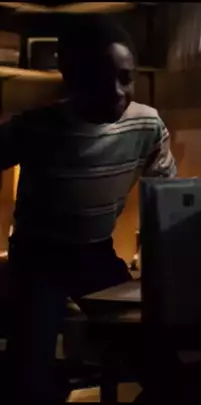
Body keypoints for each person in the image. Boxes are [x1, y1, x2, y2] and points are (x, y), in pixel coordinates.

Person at [2, 15, 176, 403]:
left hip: (95, 254)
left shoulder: (147, 125)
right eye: (101, 79)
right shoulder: (36, 127)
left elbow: (167, 196)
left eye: (126, 78)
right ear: (73, 78)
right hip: (36, 258)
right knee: (29, 379)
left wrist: (162, 261)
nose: (117, 92)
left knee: (160, 363)